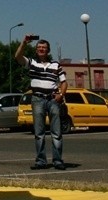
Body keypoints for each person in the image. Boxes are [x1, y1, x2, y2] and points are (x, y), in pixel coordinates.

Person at [15, 35, 68, 170]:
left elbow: (64, 82)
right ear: (36, 50)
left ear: (48, 50)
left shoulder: (56, 65)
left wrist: (61, 95)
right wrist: (24, 43)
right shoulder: (32, 62)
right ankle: (41, 161)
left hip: (52, 100)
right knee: (39, 133)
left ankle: (57, 160)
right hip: (37, 99)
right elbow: (18, 57)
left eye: (44, 48)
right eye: (39, 47)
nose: (41, 49)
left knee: (56, 132)